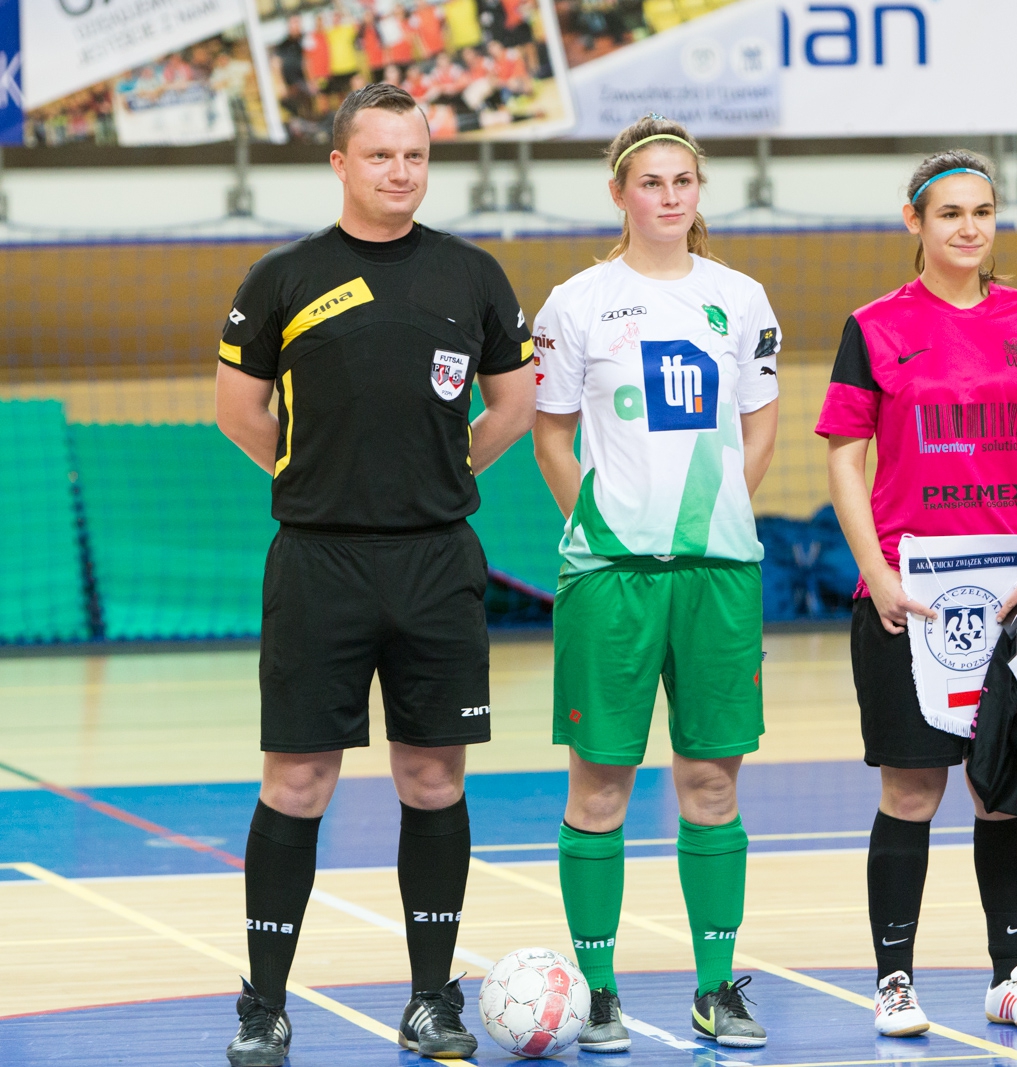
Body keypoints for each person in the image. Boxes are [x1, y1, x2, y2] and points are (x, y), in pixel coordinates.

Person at [214, 82, 537, 1066]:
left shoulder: (472, 274)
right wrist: (313, 477)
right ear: (340, 164)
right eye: (382, 155)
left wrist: (442, 476)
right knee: (299, 778)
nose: (401, 172)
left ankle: (431, 998)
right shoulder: (283, 276)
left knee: (433, 777)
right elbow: (238, 407)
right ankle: (263, 1003)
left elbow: (512, 405)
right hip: (318, 560)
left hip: (437, 561)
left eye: (416, 156)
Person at [817, 149, 1017, 1037]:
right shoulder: (874, 327)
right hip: (911, 594)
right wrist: (878, 570)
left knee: (1002, 788)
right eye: (949, 214)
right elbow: (842, 454)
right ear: (915, 223)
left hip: (1012, 591)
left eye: (981, 211)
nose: (968, 227)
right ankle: (894, 980)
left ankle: (1011, 974)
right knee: (911, 790)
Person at [530, 115, 781, 1052]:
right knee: (600, 787)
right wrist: (591, 516)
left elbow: (759, 426)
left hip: (718, 575)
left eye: (684, 182)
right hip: (611, 579)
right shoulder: (578, 302)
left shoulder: (741, 298)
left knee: (712, 780)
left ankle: (717, 985)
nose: (670, 197)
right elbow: (552, 431)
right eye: (652, 183)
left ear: (697, 193)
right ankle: (599, 989)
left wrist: (716, 515)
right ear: (620, 195)